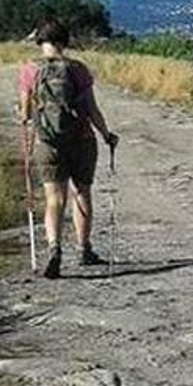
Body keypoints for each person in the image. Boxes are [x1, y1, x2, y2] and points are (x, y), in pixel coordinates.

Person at [16, 18, 119, 279]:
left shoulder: (30, 71)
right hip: (81, 140)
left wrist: (24, 115)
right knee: (82, 192)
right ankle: (84, 249)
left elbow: (25, 113)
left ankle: (54, 248)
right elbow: (92, 109)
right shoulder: (78, 70)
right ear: (64, 42)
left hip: (48, 143)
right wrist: (107, 135)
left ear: (41, 42)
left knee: (54, 199)